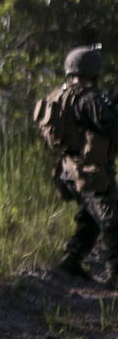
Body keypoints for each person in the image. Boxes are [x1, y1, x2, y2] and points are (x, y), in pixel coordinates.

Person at [36, 45, 118, 287]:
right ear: (93, 71)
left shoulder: (58, 96)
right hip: (90, 172)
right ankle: (116, 273)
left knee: (91, 216)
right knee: (112, 218)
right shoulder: (90, 99)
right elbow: (112, 128)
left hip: (66, 170)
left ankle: (72, 259)